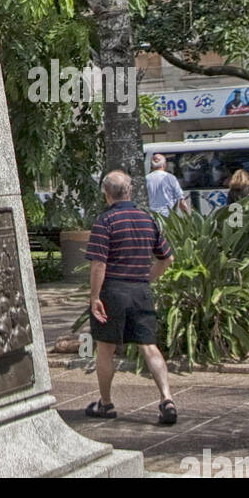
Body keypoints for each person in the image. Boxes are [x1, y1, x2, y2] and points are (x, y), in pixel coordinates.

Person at [84, 170, 178, 426]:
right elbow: (167, 258)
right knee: (149, 345)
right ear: (130, 191)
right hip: (140, 291)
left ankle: (106, 403)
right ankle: (167, 398)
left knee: (105, 348)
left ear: (106, 194)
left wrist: (94, 297)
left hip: (112, 291)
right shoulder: (148, 220)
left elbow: (98, 265)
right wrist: (147, 278)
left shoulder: (105, 222)